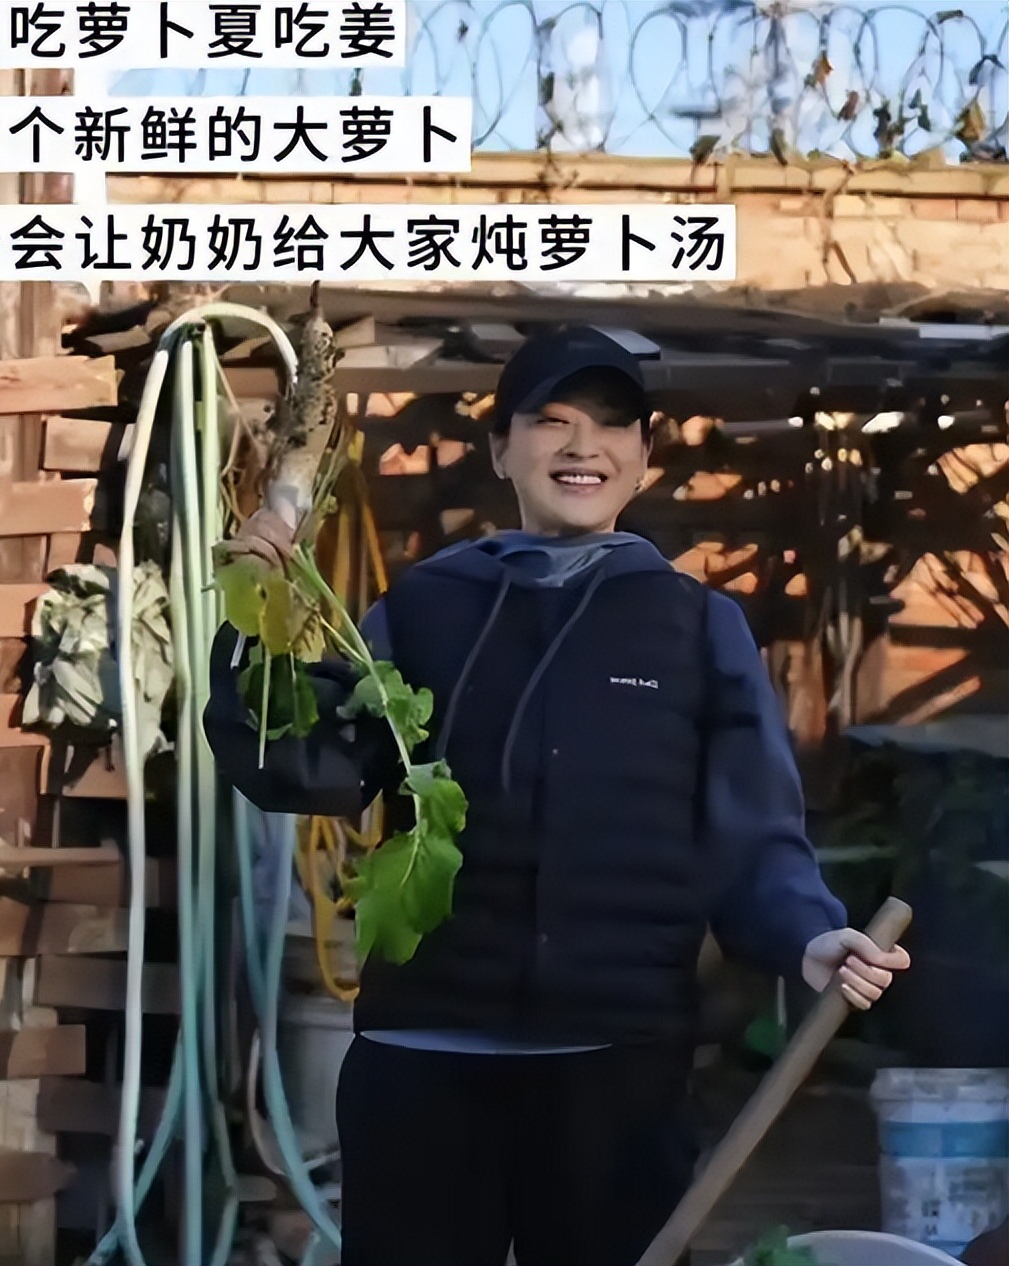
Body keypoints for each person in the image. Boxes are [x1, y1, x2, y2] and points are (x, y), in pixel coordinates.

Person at [205, 327, 910, 1266]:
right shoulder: (422, 608)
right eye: (553, 421)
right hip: (423, 1059)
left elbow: (752, 832)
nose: (584, 446)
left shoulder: (695, 626)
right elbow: (312, 771)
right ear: (501, 448)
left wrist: (808, 934)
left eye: (614, 426)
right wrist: (253, 630)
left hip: (615, 1069)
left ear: (645, 457)